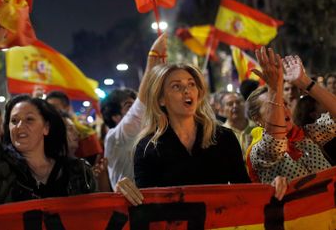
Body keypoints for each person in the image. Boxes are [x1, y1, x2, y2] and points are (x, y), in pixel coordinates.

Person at [116, 57, 288, 206]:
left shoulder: (223, 137)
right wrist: (125, 193)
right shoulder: (147, 148)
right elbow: (145, 206)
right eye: (176, 86)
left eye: (191, 84)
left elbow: (245, 190)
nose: (187, 90)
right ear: (161, 99)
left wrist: (270, 187)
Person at [0, 21, 96, 207]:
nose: (19, 126)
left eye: (29, 119)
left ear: (46, 127)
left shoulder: (77, 172)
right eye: (14, 121)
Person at [245, 51, 336, 184]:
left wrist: (306, 82)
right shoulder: (259, 152)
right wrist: (274, 89)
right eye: (274, 108)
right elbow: (275, 140)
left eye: (285, 104)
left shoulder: (307, 135)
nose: (283, 110)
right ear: (257, 118)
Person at [102, 33, 166, 189]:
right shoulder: (114, 139)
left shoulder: (155, 131)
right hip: (130, 210)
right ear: (115, 117)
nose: (136, 110)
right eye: (129, 106)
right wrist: (152, 60)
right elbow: (140, 108)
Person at [220, 92, 254, 157]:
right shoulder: (221, 134)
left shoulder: (257, 128)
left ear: (245, 105)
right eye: (230, 104)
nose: (235, 106)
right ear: (222, 110)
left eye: (238, 102)